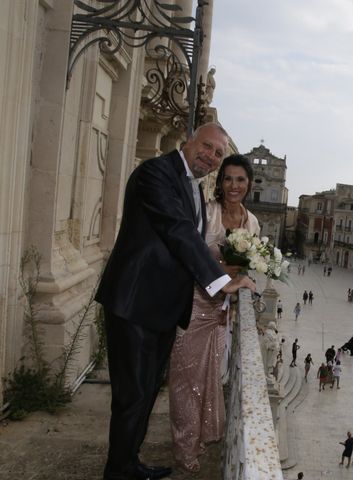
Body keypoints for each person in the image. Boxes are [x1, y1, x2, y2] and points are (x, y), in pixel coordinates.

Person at [95, 124, 255, 480]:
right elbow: (176, 230)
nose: (211, 156)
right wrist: (220, 282)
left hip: (163, 308)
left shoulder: (194, 188)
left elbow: (187, 239)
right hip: (134, 303)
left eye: (218, 153)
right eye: (207, 146)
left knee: (148, 391)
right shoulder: (156, 173)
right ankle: (116, 472)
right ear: (190, 140)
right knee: (131, 395)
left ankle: (128, 462)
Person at [168, 154, 261, 473]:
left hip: (222, 312)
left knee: (210, 378)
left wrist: (242, 277)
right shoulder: (206, 213)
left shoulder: (253, 222)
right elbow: (189, 255)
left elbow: (250, 263)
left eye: (240, 180)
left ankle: (201, 438)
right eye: (228, 179)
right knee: (185, 379)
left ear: (249, 184)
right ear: (220, 182)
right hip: (194, 304)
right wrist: (226, 274)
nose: (234, 186)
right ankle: (184, 448)